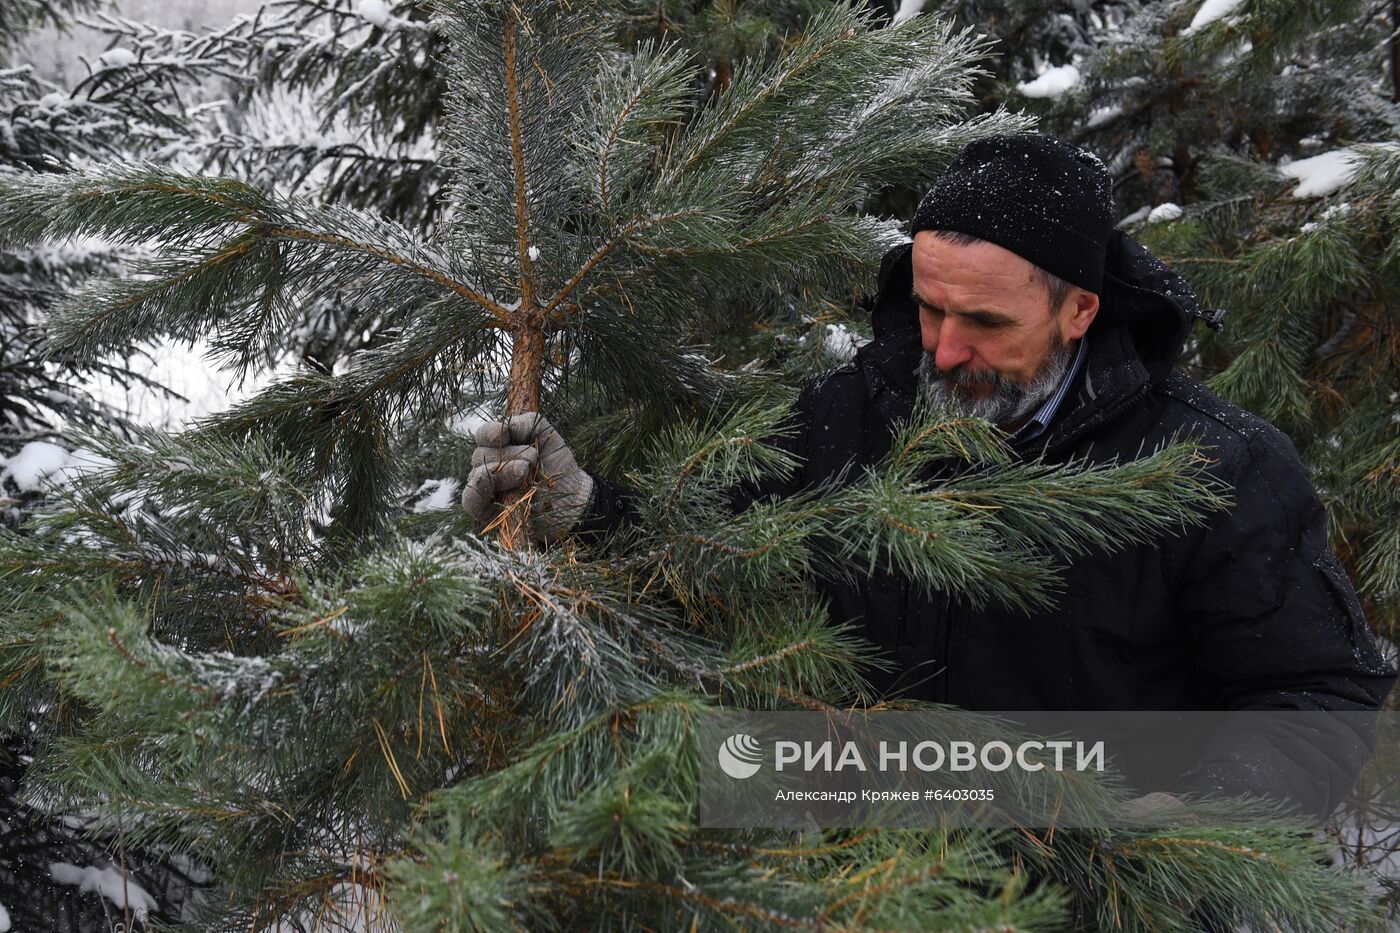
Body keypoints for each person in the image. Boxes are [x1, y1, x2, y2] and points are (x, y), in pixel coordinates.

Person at [462, 133, 1396, 820]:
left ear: (1080, 310)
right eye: (929, 306)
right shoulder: (849, 414)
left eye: (986, 322)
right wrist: (585, 510)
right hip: (864, 882)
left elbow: (1321, 692)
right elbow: (710, 546)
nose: (944, 350)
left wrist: (1196, 813)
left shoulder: (1218, 468)